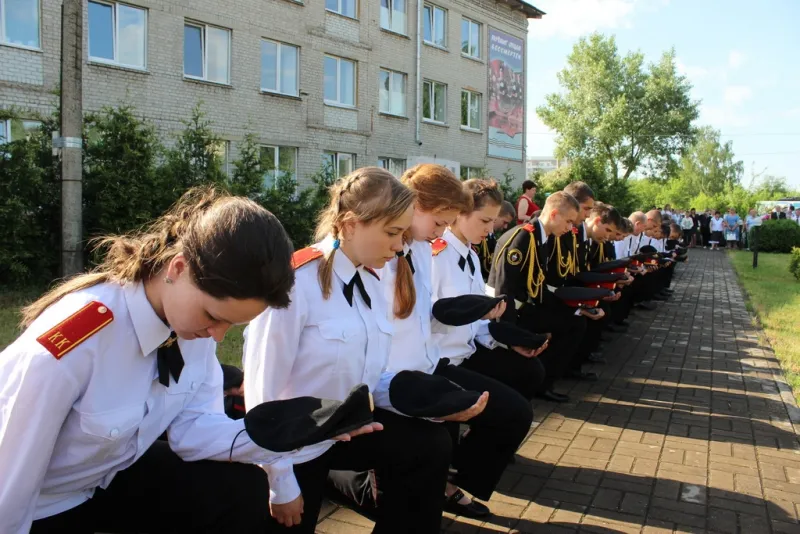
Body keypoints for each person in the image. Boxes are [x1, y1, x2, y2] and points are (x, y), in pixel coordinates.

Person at [0, 187, 380, 534]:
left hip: (104, 480)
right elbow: (9, 485)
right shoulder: (77, 342)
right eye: (214, 317)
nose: (217, 336)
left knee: (241, 489)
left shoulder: (187, 325)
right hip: (40, 506)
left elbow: (194, 431)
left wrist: (294, 435)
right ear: (178, 268)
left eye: (231, 324)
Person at [243, 168, 456, 534]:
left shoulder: (369, 280)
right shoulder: (297, 284)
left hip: (343, 429)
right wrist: (280, 483)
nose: (400, 246)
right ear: (350, 224)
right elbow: (261, 398)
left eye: (402, 234)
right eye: (391, 233)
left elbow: (369, 376)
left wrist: (427, 401)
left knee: (428, 444)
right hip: (295, 445)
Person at [335, 166, 536, 519]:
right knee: (424, 456)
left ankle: (443, 484)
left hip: (424, 367)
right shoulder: (376, 258)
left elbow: (422, 315)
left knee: (494, 414)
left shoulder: (421, 251)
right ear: (415, 206)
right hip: (388, 381)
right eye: (439, 221)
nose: (442, 231)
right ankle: (356, 484)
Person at [431, 178, 547, 402]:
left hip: (468, 349)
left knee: (531, 371)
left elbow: (477, 323)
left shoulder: (471, 255)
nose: (490, 228)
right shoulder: (436, 256)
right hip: (443, 358)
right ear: (459, 213)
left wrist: (505, 341)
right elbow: (426, 319)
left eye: (492, 221)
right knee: (511, 410)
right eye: (484, 220)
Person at [488, 191, 585, 403]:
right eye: (568, 221)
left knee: (574, 320)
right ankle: (541, 383)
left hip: (526, 306)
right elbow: (505, 290)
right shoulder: (523, 237)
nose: (570, 228)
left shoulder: (540, 236)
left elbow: (537, 283)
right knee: (570, 326)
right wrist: (509, 335)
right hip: (510, 312)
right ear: (555, 214)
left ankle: (545, 381)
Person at [477, 199, 516, 280]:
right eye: (504, 222)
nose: (505, 227)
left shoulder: (491, 235)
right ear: (496, 215)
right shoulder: (478, 234)